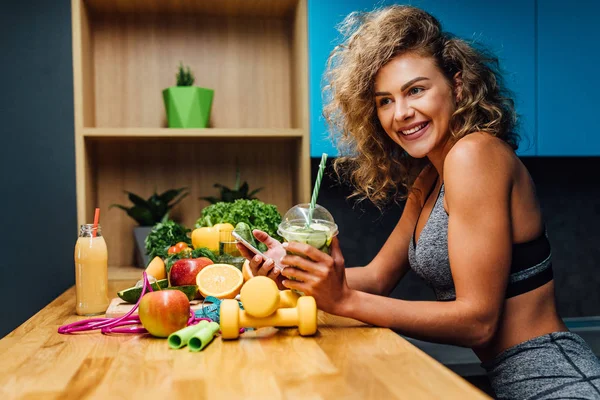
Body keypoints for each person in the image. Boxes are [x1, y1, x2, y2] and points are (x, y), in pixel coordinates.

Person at [236, 5, 600, 399]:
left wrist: (343, 300)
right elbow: (377, 277)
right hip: (514, 381)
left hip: (558, 382)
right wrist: (294, 270)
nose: (402, 113)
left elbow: (478, 322)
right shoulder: (430, 178)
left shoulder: (474, 155)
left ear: (457, 86)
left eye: (416, 90)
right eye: (385, 100)